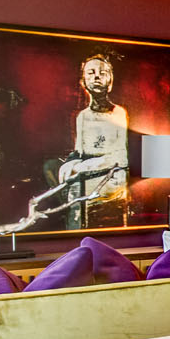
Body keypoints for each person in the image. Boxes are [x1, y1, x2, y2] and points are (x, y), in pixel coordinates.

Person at [56, 53, 130, 228]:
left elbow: (122, 156)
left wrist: (86, 166)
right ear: (83, 82)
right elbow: (79, 152)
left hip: (112, 175)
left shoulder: (118, 113)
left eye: (102, 73)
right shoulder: (82, 116)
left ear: (110, 82)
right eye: (91, 72)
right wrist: (70, 164)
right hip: (86, 174)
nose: (96, 76)